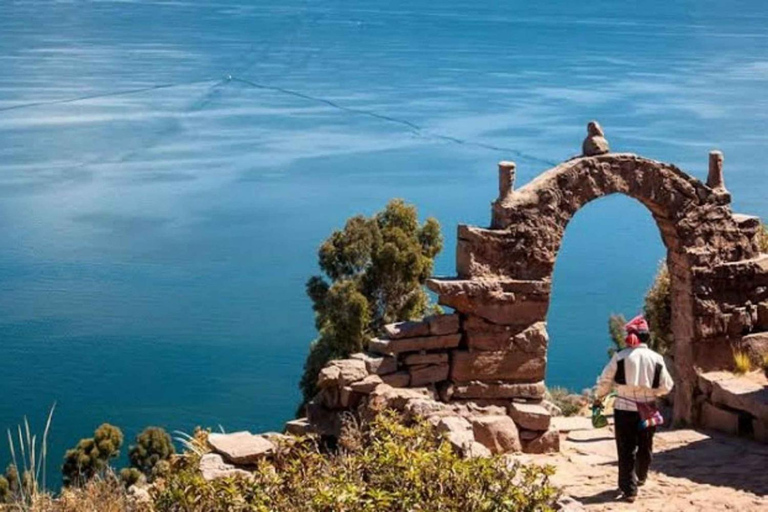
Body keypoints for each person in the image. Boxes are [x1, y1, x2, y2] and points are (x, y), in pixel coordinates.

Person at [594, 315, 674, 503]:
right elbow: (667, 386)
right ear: (647, 337)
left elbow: (606, 380)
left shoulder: (620, 357)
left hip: (623, 408)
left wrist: (600, 396)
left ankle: (629, 489)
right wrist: (653, 394)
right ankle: (642, 475)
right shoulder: (656, 359)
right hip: (648, 408)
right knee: (645, 445)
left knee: (626, 449)